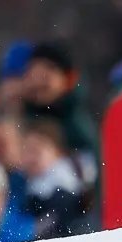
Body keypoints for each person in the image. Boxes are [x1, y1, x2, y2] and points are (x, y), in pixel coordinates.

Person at [22, 42, 99, 185]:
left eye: (46, 75)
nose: (37, 81)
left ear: (67, 79)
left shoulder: (76, 124)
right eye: (32, 73)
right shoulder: (22, 114)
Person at [19, 119, 87, 240]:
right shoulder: (19, 183)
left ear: (56, 151)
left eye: (37, 150)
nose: (31, 158)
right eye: (27, 150)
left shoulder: (66, 189)